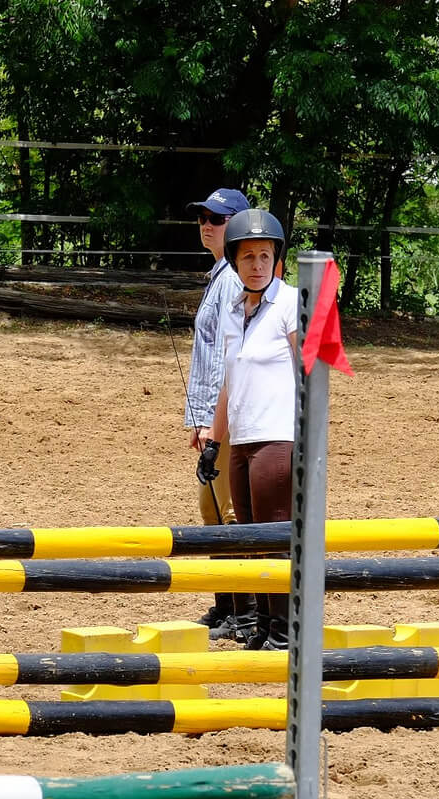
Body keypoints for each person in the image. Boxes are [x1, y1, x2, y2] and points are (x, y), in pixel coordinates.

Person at [203, 209, 298, 651]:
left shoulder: (291, 303)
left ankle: (283, 631)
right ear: (235, 264)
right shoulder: (232, 310)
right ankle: (261, 625)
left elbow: (312, 372)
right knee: (249, 536)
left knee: (274, 536)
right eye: (248, 258)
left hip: (277, 435)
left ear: (276, 261)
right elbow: (227, 382)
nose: (257, 264)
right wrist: (214, 442)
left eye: (264, 256)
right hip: (239, 441)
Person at [182, 187, 255, 643]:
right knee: (211, 508)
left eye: (218, 218)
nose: (207, 224)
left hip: (226, 414)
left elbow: (227, 355)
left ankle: (243, 609)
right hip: (212, 413)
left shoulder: (231, 280)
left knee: (226, 511)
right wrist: (197, 416)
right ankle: (226, 603)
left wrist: (210, 418)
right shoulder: (219, 274)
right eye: (203, 216)